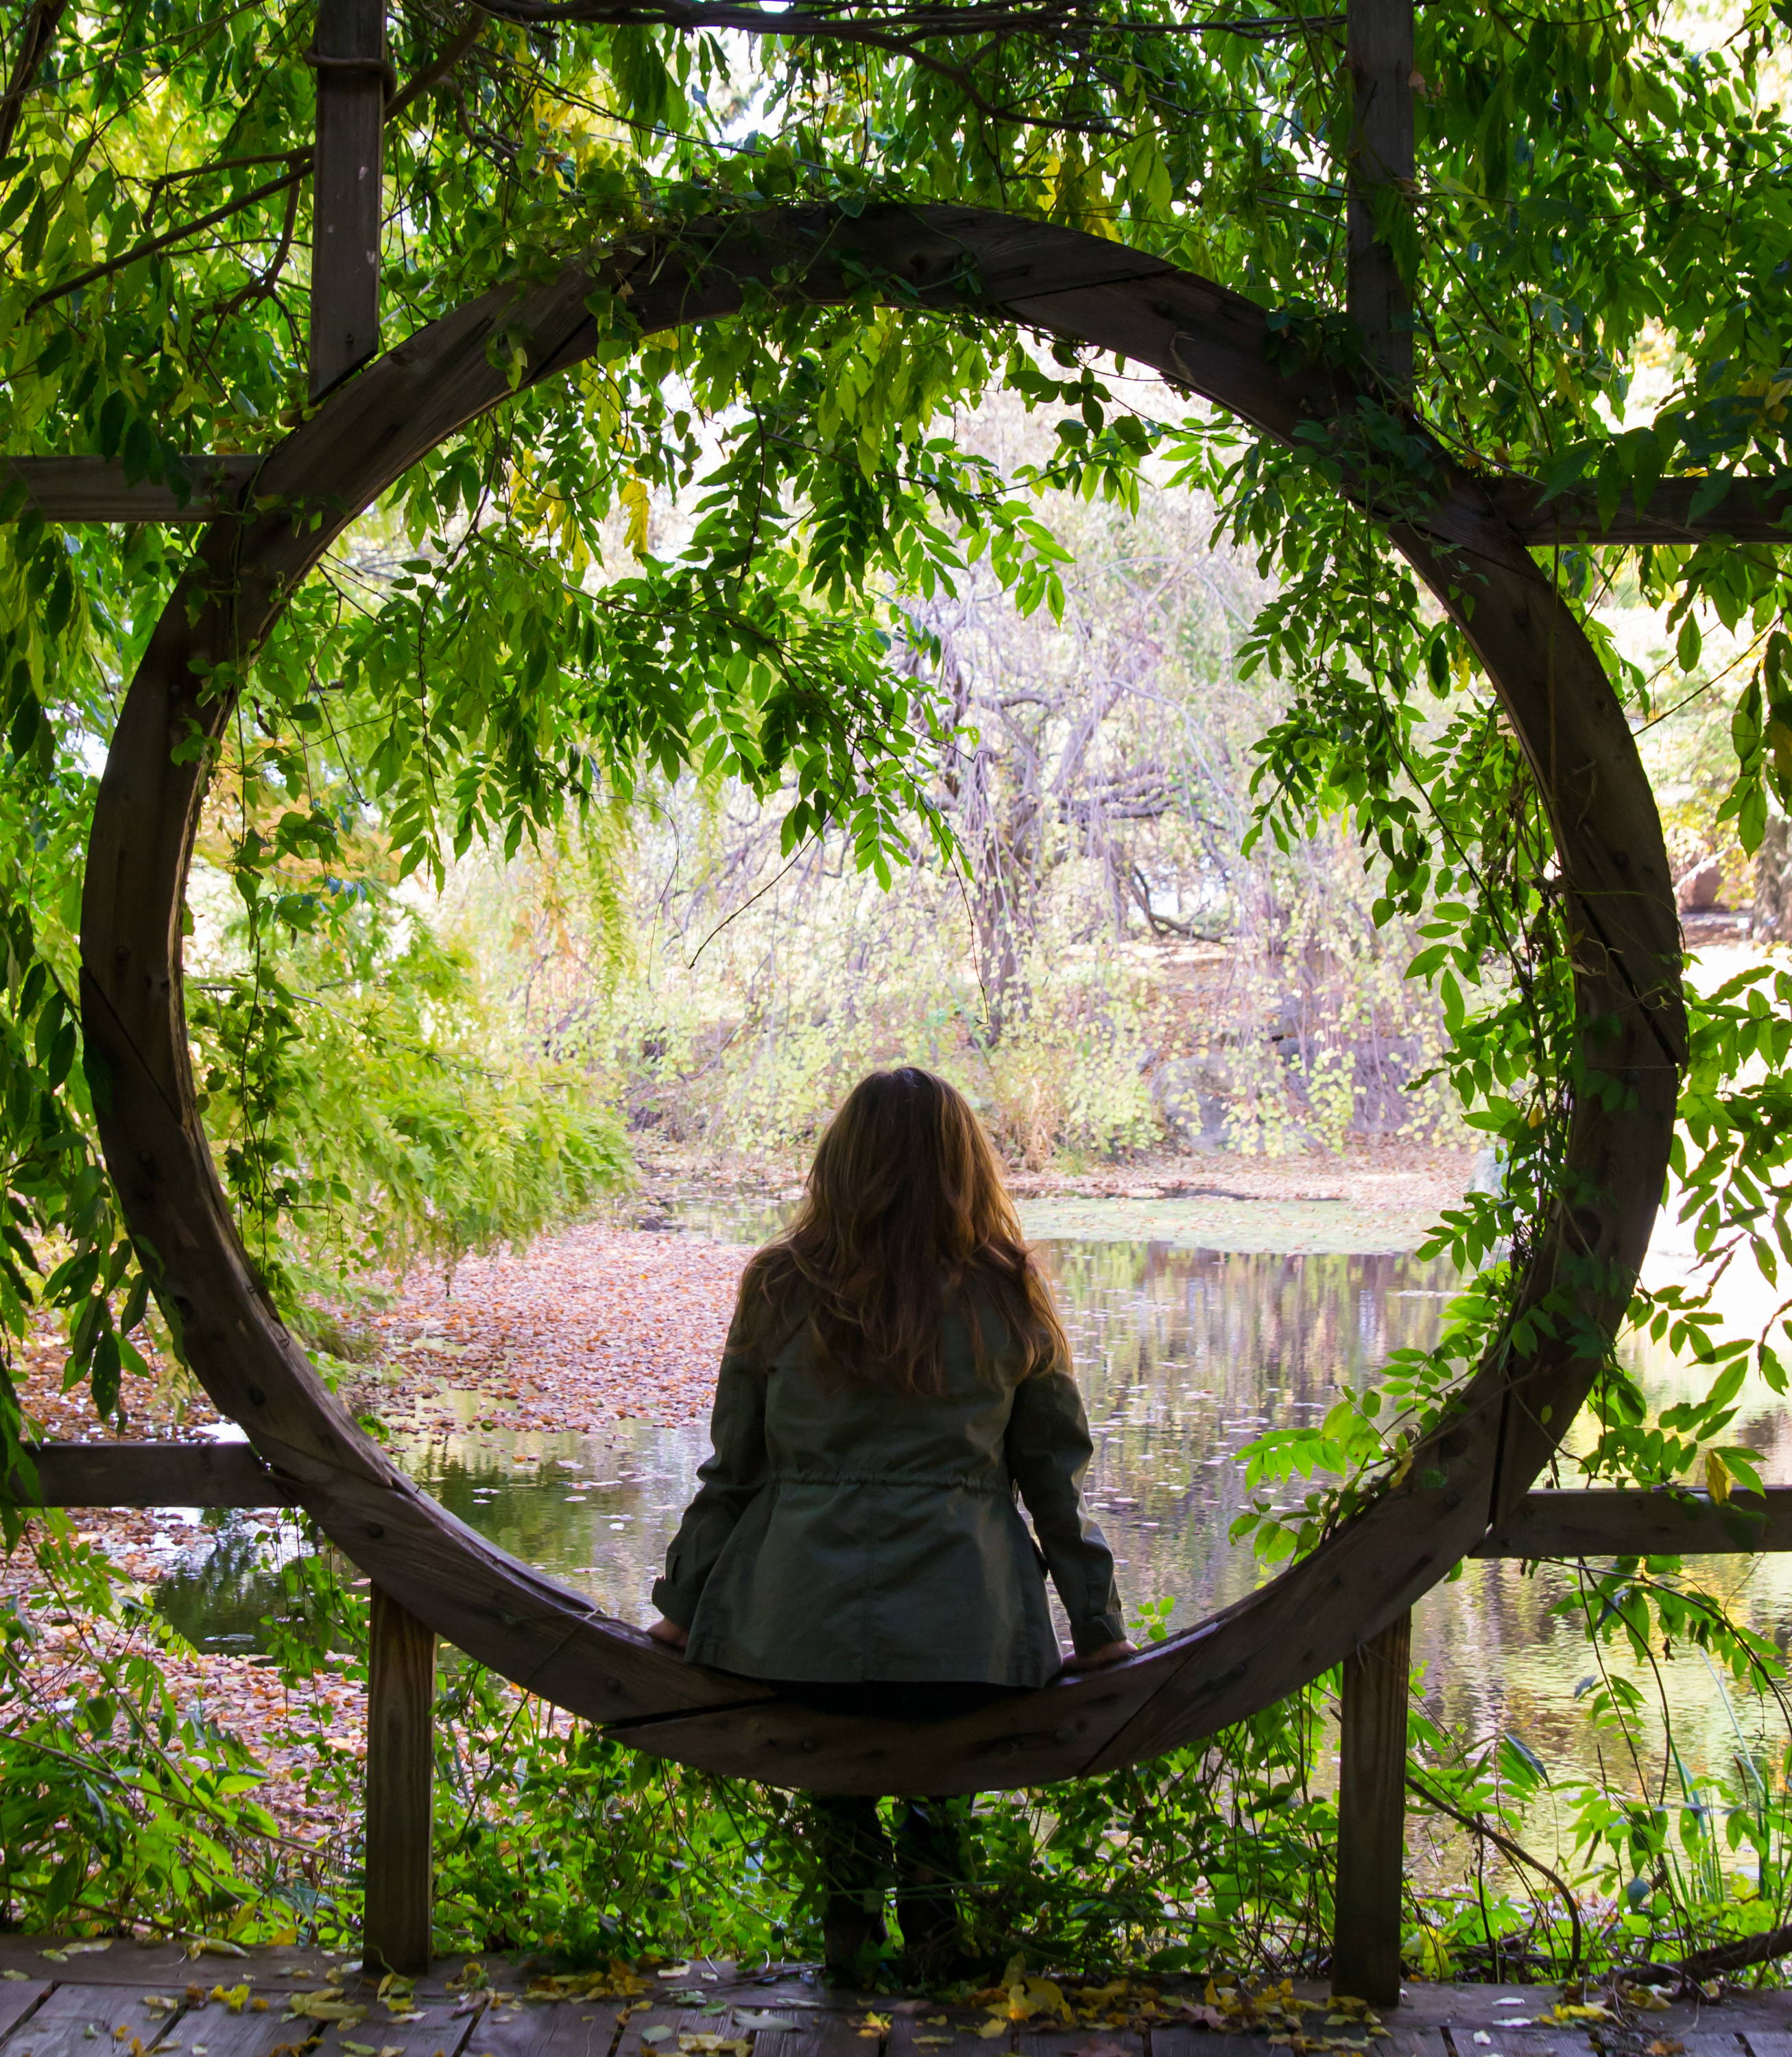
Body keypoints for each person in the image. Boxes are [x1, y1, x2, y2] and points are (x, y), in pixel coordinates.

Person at [645, 1066, 1134, 1980]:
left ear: (840, 1161)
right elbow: (1053, 1480)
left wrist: (679, 1605)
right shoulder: (1008, 1291)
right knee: (940, 1787)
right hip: (966, 1625)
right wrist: (1097, 1627)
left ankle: (846, 1956)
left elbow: (734, 1469)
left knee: (839, 1782)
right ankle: (940, 1954)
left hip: (794, 1624)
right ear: (966, 1166)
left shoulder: (780, 1285)